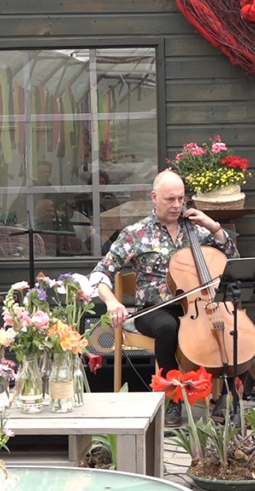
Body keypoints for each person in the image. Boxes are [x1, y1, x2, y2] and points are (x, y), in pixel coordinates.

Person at [89, 169, 238, 427]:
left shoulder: (196, 230)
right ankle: (173, 398)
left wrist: (213, 226)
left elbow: (232, 258)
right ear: (154, 197)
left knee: (228, 325)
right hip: (154, 308)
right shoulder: (135, 234)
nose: (178, 205)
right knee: (168, 327)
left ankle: (226, 394)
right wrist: (112, 301)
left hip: (195, 305)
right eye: (170, 199)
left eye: (181, 199)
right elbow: (100, 272)